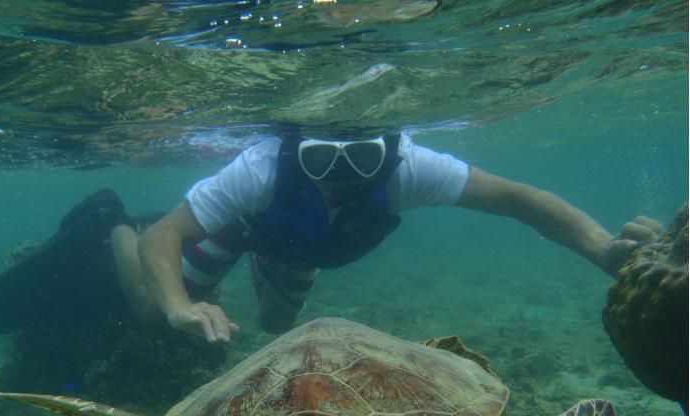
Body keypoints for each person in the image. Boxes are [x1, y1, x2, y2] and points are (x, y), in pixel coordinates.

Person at [106, 131, 662, 344]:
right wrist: (180, 306)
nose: (342, 173)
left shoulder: (410, 167)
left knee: (277, 326)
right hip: (244, 225)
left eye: (364, 157)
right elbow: (165, 236)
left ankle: (258, 271)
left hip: (295, 246)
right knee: (151, 315)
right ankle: (113, 230)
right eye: (322, 159)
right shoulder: (259, 169)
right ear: (300, 149)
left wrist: (599, 247)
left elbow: (515, 199)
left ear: (389, 151)